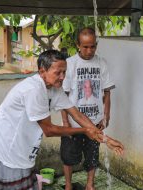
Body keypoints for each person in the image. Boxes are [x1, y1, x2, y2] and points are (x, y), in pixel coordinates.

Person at [0, 50, 123, 190]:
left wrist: (106, 139)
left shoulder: (54, 89)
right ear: (42, 71)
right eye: (58, 72)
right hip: (9, 151)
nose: (62, 77)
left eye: (64, 72)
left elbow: (77, 115)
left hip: (23, 151)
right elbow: (49, 130)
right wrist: (85, 130)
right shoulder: (34, 90)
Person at [61, 27, 115, 190]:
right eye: (85, 46)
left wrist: (106, 115)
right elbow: (63, 96)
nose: (89, 50)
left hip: (95, 120)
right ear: (78, 44)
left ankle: (89, 184)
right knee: (68, 156)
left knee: (92, 155)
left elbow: (107, 92)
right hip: (73, 123)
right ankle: (69, 185)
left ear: (96, 45)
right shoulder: (70, 64)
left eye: (92, 46)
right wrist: (65, 121)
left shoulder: (101, 63)